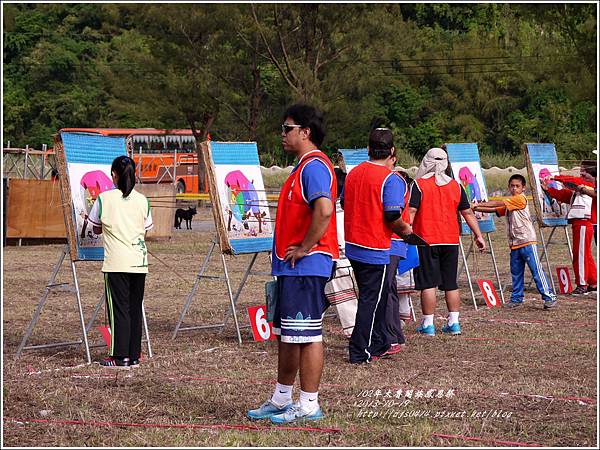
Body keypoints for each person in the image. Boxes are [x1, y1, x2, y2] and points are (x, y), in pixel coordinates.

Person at [247, 104, 338, 424]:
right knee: (289, 335)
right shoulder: (301, 168)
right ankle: (282, 398)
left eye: (287, 129)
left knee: (308, 334)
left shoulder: (314, 166)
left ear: (305, 132)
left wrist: (305, 247)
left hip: (306, 266)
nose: (282, 134)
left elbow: (324, 210)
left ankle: (309, 404)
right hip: (292, 268)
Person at [341, 127, 412, 364]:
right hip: (375, 247)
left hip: (353, 244)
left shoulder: (353, 173)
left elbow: (345, 201)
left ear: (369, 149)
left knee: (374, 298)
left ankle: (380, 343)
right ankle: (360, 350)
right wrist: (406, 230)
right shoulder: (391, 179)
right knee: (371, 301)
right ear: (392, 151)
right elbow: (392, 214)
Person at [408, 147, 485, 337]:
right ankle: (454, 322)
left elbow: (411, 212)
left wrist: (403, 233)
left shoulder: (419, 185)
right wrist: (479, 235)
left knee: (428, 283)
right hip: (450, 240)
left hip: (425, 239)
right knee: (451, 283)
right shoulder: (456, 185)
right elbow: (467, 212)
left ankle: (428, 324)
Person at [87, 156, 153, 367]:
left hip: (116, 263)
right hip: (139, 262)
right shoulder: (143, 200)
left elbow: (95, 228)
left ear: (113, 175)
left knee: (119, 310)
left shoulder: (104, 199)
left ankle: (119, 356)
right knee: (134, 308)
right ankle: (134, 355)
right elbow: (146, 231)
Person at [473, 175, 556, 309]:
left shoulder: (519, 199)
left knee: (536, 270)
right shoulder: (511, 202)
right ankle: (516, 298)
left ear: (523, 188)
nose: (514, 189)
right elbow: (495, 210)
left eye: (517, 186)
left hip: (527, 240)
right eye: (512, 186)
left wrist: (478, 204)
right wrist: (475, 209)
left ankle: (549, 296)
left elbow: (497, 203)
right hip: (515, 243)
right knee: (516, 272)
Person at [542, 160, 597, 295]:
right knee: (585, 254)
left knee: (580, 255)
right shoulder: (580, 187)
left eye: (584, 170)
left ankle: (582, 284)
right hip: (579, 222)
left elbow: (573, 180)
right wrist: (549, 190)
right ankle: (593, 282)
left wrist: (554, 177)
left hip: (584, 222)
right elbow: (566, 195)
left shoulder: (589, 184)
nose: (581, 173)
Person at [383, 163, 409, 352]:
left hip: (392, 242)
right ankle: (396, 336)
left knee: (385, 290)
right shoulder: (394, 179)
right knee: (389, 289)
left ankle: (391, 338)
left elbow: (393, 214)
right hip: (391, 243)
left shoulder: (394, 180)